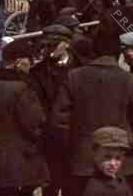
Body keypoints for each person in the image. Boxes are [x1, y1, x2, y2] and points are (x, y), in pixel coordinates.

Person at [50, 48, 133, 196]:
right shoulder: (130, 80)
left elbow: (59, 121)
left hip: (81, 161)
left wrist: (70, 149)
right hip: (123, 161)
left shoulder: (73, 77)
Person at [0, 43, 50, 196]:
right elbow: (35, 123)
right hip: (15, 164)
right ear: (19, 62)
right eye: (28, 62)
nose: (30, 67)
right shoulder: (23, 88)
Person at [28, 24, 79, 196]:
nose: (48, 51)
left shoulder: (82, 69)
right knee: (50, 187)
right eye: (45, 46)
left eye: (52, 46)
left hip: (76, 140)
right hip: (51, 142)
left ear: (66, 44)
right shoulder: (37, 73)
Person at [81, 127, 133, 196]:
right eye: (107, 157)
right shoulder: (94, 190)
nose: (113, 163)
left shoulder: (118, 177)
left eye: (118, 158)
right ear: (95, 154)